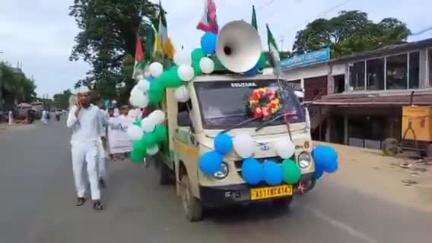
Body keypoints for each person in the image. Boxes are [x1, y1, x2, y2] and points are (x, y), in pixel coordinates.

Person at [67, 88, 104, 210]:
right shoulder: (74, 109)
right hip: (77, 144)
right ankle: (80, 195)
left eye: (85, 95)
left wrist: (101, 140)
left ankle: (96, 199)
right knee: (77, 170)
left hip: (91, 144)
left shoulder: (95, 110)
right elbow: (69, 124)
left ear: (89, 97)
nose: (83, 98)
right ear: (78, 98)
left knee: (92, 170)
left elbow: (99, 126)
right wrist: (77, 110)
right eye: (80, 96)